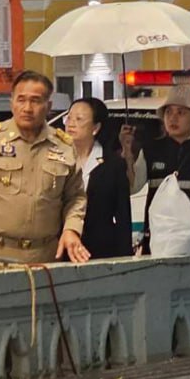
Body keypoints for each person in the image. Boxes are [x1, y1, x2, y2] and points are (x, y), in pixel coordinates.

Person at [0, 70, 90, 264]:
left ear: (48, 106)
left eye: (35, 101)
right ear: (11, 103)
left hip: (46, 256)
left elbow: (75, 197)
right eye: (21, 100)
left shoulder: (64, 146)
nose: (27, 108)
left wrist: (72, 229)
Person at [129, 84, 190, 254]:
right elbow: (132, 187)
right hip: (156, 244)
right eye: (168, 112)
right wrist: (127, 153)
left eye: (181, 113)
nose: (173, 118)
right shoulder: (151, 150)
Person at [66, 96, 134, 258]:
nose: (71, 123)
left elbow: (123, 215)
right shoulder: (56, 158)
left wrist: (125, 256)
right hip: (63, 246)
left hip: (100, 249)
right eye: (68, 118)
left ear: (95, 128)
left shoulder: (113, 164)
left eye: (79, 119)